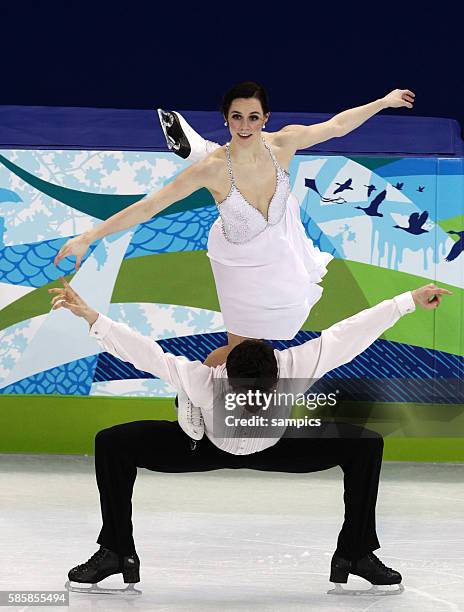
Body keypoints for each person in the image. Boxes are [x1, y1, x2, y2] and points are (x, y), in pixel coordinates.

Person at [52, 81, 416, 439]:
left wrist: (382, 101)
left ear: (265, 118)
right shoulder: (211, 170)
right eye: (237, 117)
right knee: (237, 352)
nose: (245, 125)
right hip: (241, 268)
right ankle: (191, 403)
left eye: (253, 117)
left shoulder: (283, 144)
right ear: (226, 118)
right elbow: (150, 206)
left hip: (282, 253)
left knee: (265, 339)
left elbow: (337, 127)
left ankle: (199, 146)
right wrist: (89, 237)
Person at [49, 277, 449, 596]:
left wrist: (408, 300)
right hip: (200, 445)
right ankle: (116, 551)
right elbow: (144, 352)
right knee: (112, 443)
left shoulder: (282, 368)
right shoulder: (211, 379)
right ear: (225, 373)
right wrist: (92, 318)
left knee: (366, 445)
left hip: (276, 446)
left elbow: (351, 334)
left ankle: (356, 554)